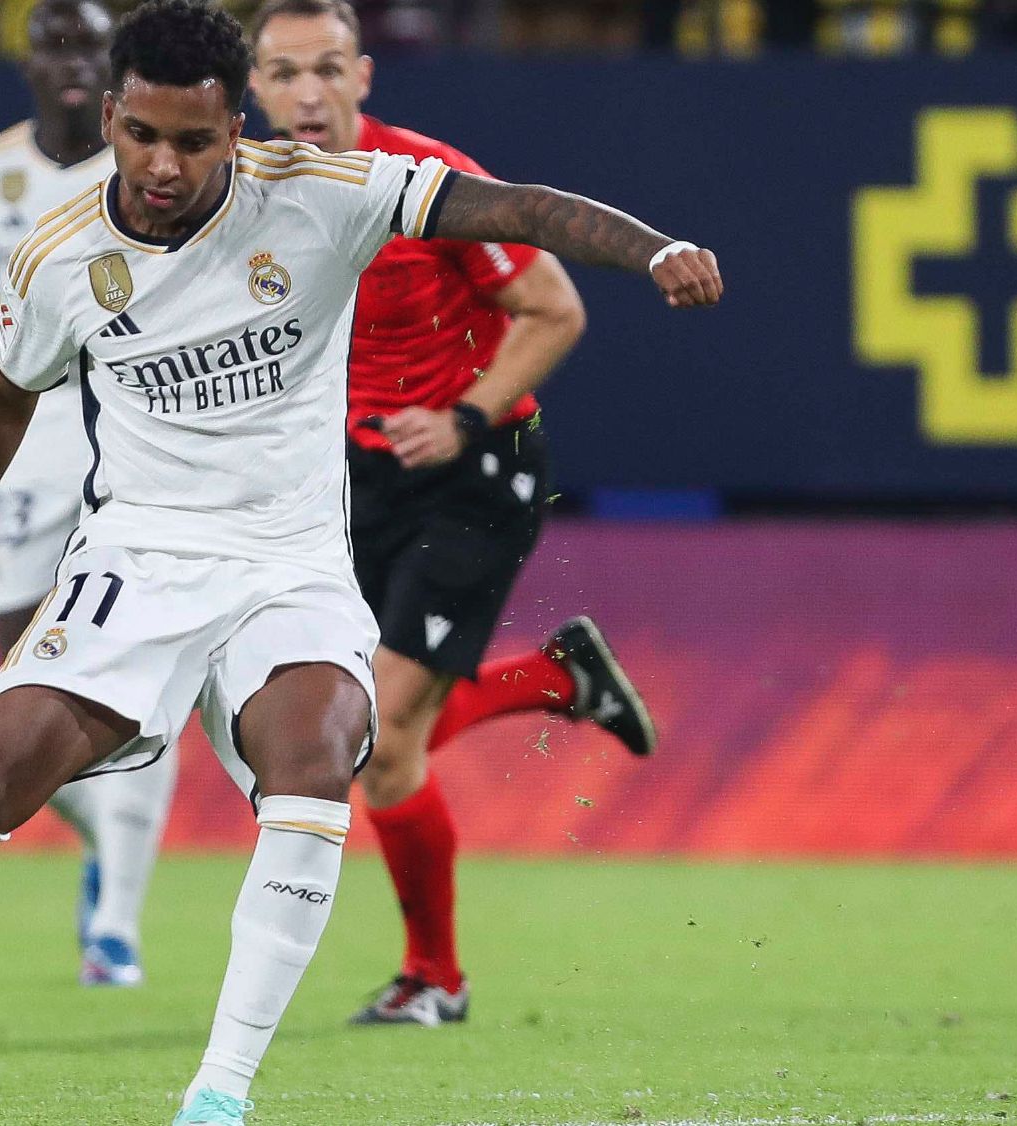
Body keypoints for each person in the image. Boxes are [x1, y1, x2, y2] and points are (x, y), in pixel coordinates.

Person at [0, 3, 721, 1124]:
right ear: (109, 113)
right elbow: (0, 396)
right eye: (141, 134)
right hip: (140, 554)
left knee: (318, 753)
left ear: (232, 123)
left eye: (194, 141)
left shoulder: (325, 193)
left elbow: (520, 209)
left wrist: (655, 250)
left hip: (292, 562)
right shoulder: (61, 256)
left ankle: (216, 1098)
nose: (163, 164)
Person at [247, 0, 659, 1027]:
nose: (307, 93)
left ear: (363, 75)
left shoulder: (423, 182)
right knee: (361, 741)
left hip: (474, 471)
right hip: (350, 481)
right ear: (251, 88)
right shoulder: (244, 196)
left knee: (376, 740)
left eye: (327, 69)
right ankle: (554, 676)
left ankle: (435, 978)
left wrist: (464, 415)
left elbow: (554, 308)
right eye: (284, 72)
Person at [0, 0, 177, 991]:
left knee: (147, 686)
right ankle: (109, 839)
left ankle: (114, 926)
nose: (70, 63)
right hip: (29, 447)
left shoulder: (152, 162)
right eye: (51, 45)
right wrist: (28, 319)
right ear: (23, 62)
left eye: (89, 46)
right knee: (19, 700)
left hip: (149, 446)